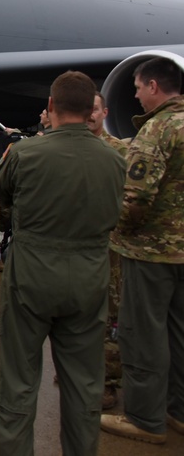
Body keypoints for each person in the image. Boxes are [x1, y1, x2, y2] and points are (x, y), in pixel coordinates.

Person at [0, 72, 126, 454]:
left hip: (31, 275)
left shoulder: (26, 153)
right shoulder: (114, 160)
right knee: (84, 385)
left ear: (51, 107)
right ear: (90, 111)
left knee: (18, 381)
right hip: (89, 278)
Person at [102, 57, 184, 445]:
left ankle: (144, 418)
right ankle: (177, 410)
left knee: (142, 334)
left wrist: (116, 229)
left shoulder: (158, 129)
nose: (134, 95)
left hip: (151, 254)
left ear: (154, 86)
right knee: (178, 332)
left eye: (137, 88)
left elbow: (134, 197)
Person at [83, 91, 130, 410]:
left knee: (110, 315)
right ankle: (81, 369)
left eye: (95, 110)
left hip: (109, 248)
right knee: (78, 314)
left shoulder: (121, 151)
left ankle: (109, 383)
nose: (90, 115)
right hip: (78, 247)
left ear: (105, 113)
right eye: (85, 109)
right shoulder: (69, 149)